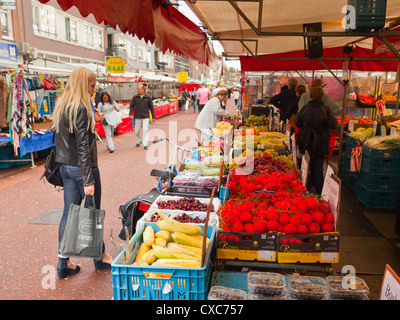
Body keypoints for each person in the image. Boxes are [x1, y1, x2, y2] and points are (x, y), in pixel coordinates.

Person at [53, 67, 113, 279]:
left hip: (66, 167)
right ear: (82, 84)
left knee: (68, 214)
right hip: (82, 169)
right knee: (92, 214)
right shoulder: (80, 107)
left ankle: (63, 262)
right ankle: (100, 258)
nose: (94, 89)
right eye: (91, 85)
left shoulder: (63, 105)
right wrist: (88, 178)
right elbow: (82, 147)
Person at [295, 87, 338, 195]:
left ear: (310, 96)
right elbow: (334, 124)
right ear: (322, 96)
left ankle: (306, 191)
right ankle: (320, 194)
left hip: (307, 142)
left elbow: (297, 123)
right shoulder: (326, 109)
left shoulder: (305, 108)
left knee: (307, 167)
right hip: (321, 143)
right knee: (318, 167)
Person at [129, 84, 155, 150]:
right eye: (138, 89)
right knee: (137, 131)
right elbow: (131, 106)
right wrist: (130, 114)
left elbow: (151, 107)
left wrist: (153, 116)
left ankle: (145, 144)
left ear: (143, 89)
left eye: (140, 89)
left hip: (146, 116)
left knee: (145, 129)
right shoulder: (135, 97)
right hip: (137, 116)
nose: (138, 90)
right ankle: (138, 141)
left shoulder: (148, 97)